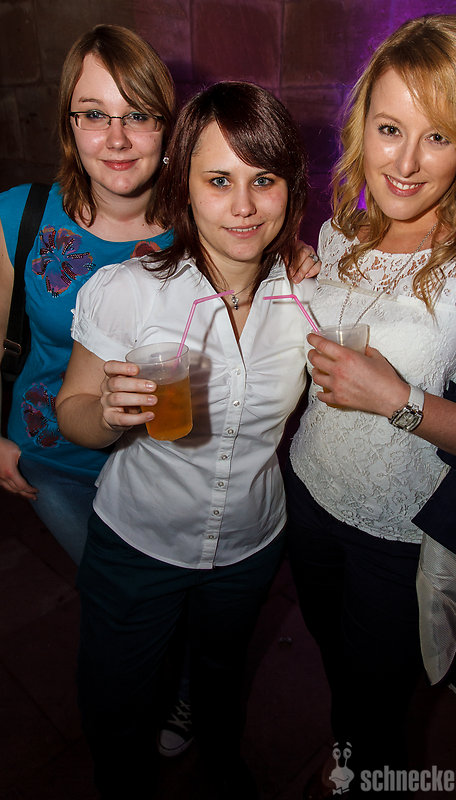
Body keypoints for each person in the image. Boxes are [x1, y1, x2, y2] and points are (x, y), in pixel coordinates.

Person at [285, 14, 456, 798]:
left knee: (380, 706)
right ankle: (350, 755)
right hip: (307, 496)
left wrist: (398, 400)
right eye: (390, 129)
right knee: (338, 667)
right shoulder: (341, 232)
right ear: (363, 124)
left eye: (438, 136)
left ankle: (369, 771)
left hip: (398, 535)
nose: (405, 161)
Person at [55, 81, 315, 799]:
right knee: (116, 699)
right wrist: (109, 414)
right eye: (219, 180)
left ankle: (221, 767)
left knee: (220, 678)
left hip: (250, 545)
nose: (243, 206)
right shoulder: (129, 290)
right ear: (184, 185)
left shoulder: (309, 297)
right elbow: (72, 409)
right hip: (137, 544)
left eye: (264, 180)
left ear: (290, 187)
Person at [0, 24, 175, 564]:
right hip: (53, 458)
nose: (116, 139)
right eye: (94, 114)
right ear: (69, 125)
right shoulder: (19, 216)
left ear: (167, 127)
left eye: (138, 115)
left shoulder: (206, 228)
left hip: (168, 466)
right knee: (115, 591)